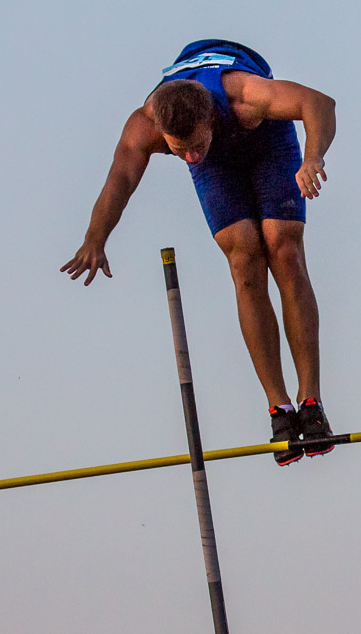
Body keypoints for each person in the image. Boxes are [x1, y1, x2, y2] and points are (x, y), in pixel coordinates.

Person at [61, 39, 337, 465]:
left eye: (193, 144)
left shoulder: (245, 95)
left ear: (209, 118)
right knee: (244, 261)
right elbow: (120, 179)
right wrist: (95, 238)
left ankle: (311, 401)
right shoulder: (146, 125)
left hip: (267, 142)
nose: (188, 156)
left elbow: (319, 103)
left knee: (283, 248)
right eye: (178, 150)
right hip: (218, 164)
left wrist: (312, 156)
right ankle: (279, 406)